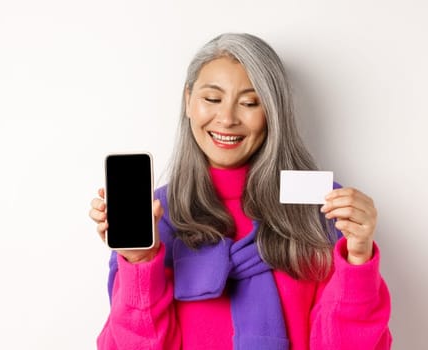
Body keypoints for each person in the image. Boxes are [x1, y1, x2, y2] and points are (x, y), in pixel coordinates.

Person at [88, 33, 392, 350]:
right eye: (212, 99)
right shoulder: (158, 217)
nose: (228, 119)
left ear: (273, 111)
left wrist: (358, 259)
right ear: (188, 100)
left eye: (249, 103)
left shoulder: (320, 204)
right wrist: (140, 262)